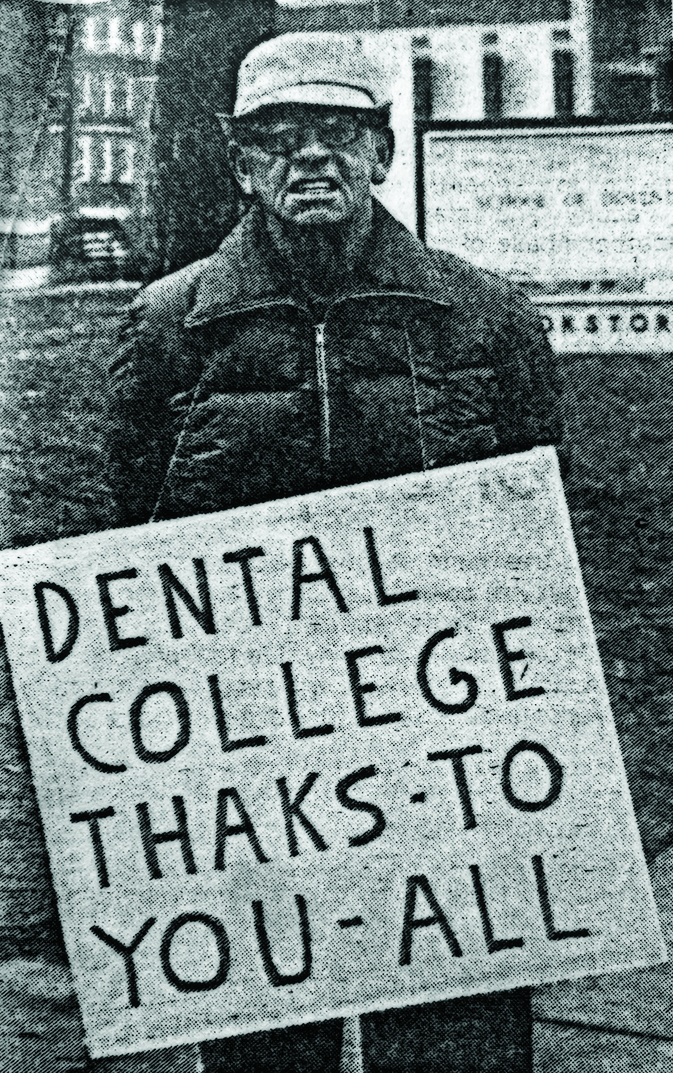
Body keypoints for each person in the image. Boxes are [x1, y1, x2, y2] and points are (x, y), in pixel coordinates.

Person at [109, 30, 564, 1073]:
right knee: (267, 1039)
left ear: (382, 152)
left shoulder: (484, 319)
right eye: (278, 138)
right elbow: (137, 540)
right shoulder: (168, 326)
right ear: (240, 164)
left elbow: (538, 529)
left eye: (337, 134)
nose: (309, 159)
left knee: (453, 1034)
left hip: (449, 748)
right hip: (254, 752)